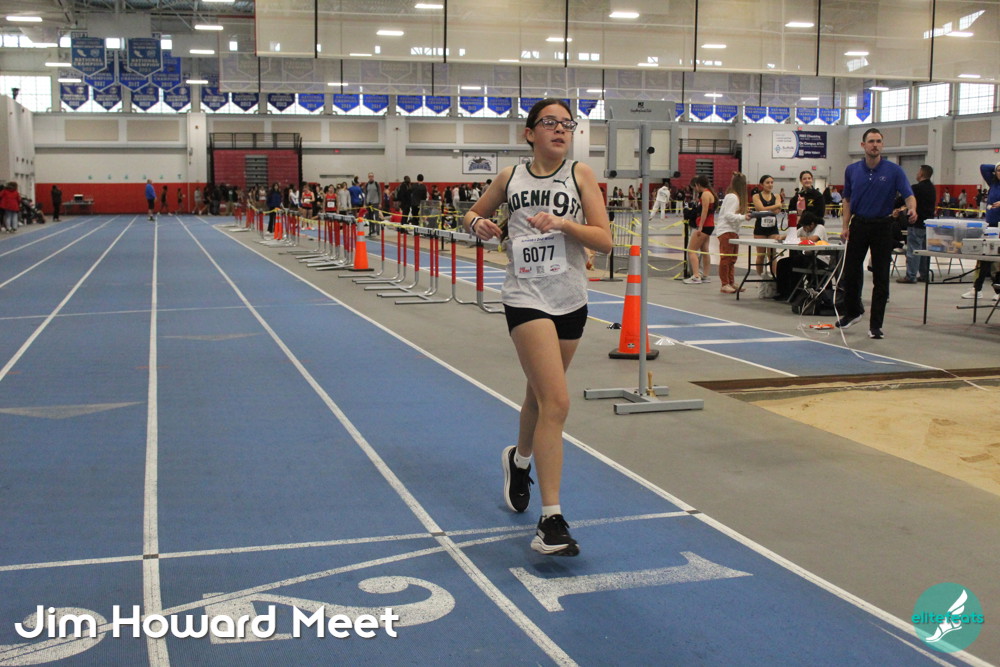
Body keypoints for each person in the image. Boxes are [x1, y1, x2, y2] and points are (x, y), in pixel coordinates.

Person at [462, 98, 611, 557]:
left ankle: (519, 459)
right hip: (525, 297)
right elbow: (471, 214)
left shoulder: (581, 175)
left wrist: (565, 224)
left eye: (567, 123)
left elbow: (605, 240)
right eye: (550, 122)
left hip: (570, 298)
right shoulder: (510, 177)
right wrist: (479, 224)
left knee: (540, 396)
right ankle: (551, 520)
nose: (560, 129)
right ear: (530, 133)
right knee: (558, 402)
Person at [839, 128, 916, 339]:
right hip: (859, 224)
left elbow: (908, 195)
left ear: (882, 145)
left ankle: (875, 325)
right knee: (851, 272)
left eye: (879, 141)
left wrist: (912, 208)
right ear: (863, 145)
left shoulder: (894, 171)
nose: (875, 145)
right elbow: (847, 200)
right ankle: (853, 312)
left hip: (883, 226)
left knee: (881, 276)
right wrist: (845, 226)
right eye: (871, 141)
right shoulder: (852, 170)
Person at [962, 163, 1000, 300]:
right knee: (984, 257)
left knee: (997, 261)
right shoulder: (993, 184)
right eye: (998, 170)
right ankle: (977, 288)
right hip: (991, 226)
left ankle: (998, 291)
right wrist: (996, 165)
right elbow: (984, 167)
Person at [897, 165, 935, 284]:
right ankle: (924, 274)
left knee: (913, 250)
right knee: (924, 252)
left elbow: (903, 199)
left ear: (921, 174)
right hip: (928, 225)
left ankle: (911, 275)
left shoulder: (916, 188)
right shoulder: (932, 188)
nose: (917, 173)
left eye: (918, 171)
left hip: (916, 223)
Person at [715, 172, 748, 294]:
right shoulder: (732, 197)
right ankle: (725, 284)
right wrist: (743, 217)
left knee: (732, 259)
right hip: (726, 231)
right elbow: (728, 215)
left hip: (733, 231)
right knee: (726, 259)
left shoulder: (735, 197)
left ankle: (731, 282)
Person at [683, 175, 715, 284]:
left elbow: (704, 211)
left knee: (691, 250)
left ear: (698, 185)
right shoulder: (710, 193)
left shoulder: (705, 194)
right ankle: (705, 275)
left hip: (705, 226)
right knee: (705, 250)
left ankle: (696, 276)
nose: (695, 189)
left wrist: (700, 226)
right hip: (709, 225)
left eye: (695, 186)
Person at [751, 174, 783, 276]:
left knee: (772, 256)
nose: (770, 185)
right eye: (767, 183)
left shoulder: (776, 196)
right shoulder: (756, 196)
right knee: (761, 255)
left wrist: (766, 210)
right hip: (760, 229)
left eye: (772, 182)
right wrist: (775, 206)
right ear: (762, 184)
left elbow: (777, 211)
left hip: (773, 229)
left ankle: (775, 277)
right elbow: (760, 209)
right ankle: (760, 277)